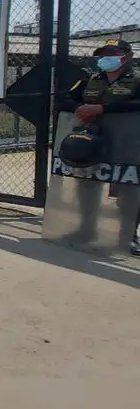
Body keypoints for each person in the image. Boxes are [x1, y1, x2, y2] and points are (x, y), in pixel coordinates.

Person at [58, 39, 140, 255]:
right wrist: (81, 108)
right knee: (87, 184)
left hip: (128, 141)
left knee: (128, 187)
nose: (106, 58)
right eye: (103, 54)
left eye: (113, 53)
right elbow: (65, 100)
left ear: (127, 56)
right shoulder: (89, 79)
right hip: (91, 141)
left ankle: (127, 236)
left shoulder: (138, 79)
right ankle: (86, 230)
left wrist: (102, 108)